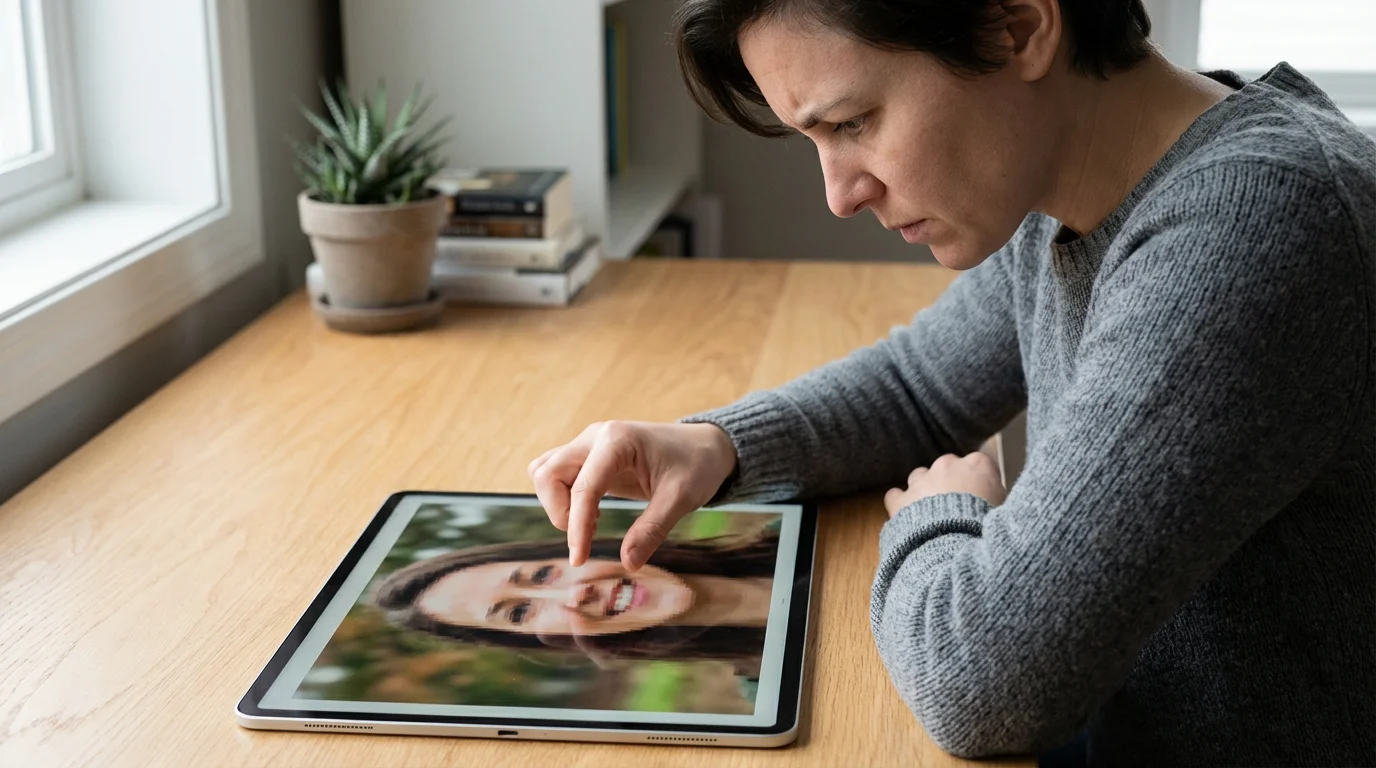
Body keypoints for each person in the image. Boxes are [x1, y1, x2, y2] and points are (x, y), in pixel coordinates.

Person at [527, 0, 1376, 766]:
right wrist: (716, 444)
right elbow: (918, 387)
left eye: (854, 121)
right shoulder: (1077, 185)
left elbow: (982, 686)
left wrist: (942, 518)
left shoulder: (1250, 226)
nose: (839, 194)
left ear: (1018, 27)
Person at [369, 525, 779, 670]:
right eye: (521, 612)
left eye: (544, 573)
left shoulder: (798, 531)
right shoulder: (776, 687)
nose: (576, 594)